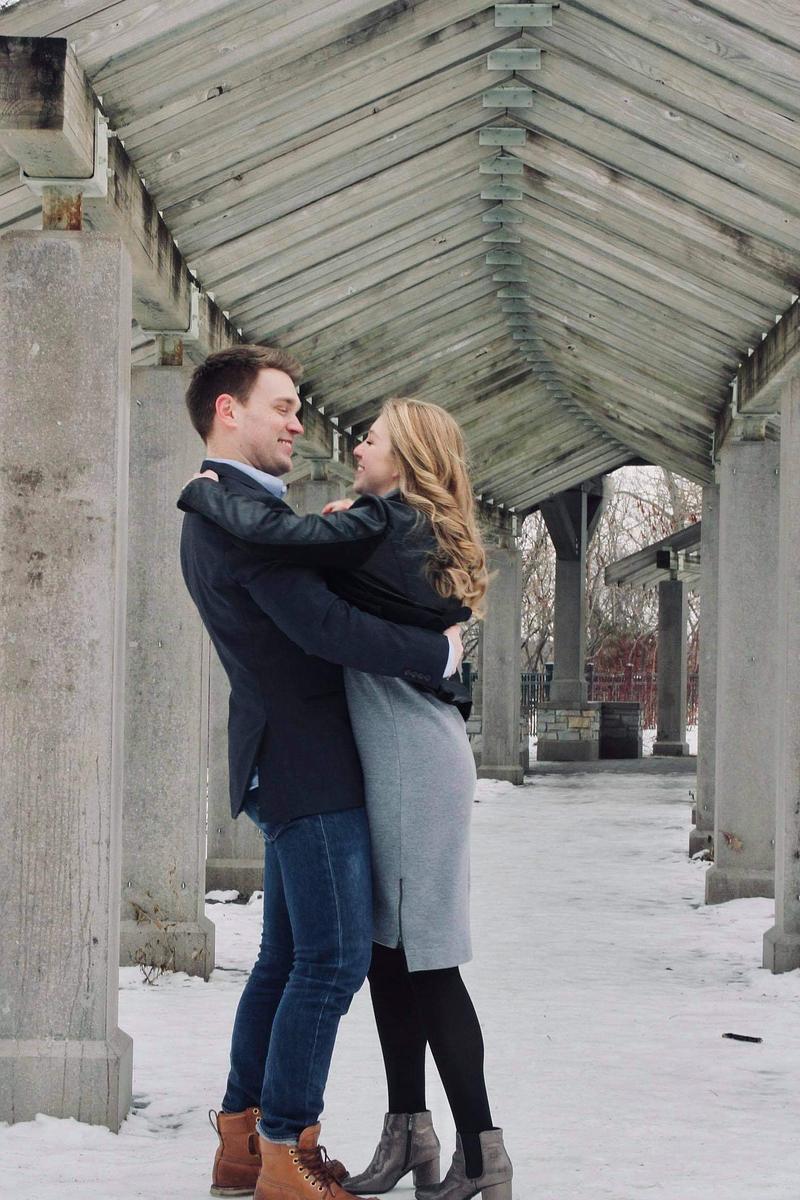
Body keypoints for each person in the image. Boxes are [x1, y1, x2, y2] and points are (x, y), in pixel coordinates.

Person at [179, 397, 514, 1200]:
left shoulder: (382, 522)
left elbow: (288, 551)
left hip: (408, 753)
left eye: (371, 439)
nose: (356, 447)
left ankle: (480, 1153)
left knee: (425, 957)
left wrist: (203, 490)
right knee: (388, 954)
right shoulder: (392, 524)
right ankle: (411, 1134)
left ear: (407, 459)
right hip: (394, 744)